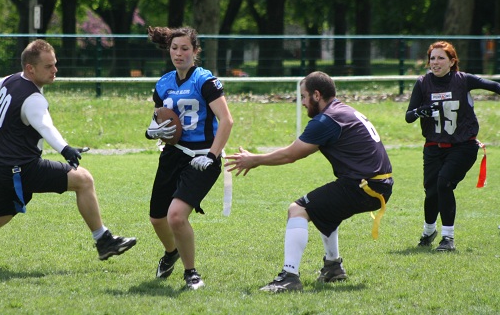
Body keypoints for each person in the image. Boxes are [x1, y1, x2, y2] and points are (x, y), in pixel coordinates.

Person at [0, 39, 136, 267]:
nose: (55, 70)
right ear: (30, 68)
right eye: (49, 66)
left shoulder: (12, 80)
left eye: (55, 64)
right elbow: (45, 126)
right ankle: (103, 241)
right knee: (83, 180)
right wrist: (65, 148)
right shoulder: (34, 99)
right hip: (21, 167)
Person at [225, 71, 393, 293]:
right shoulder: (343, 110)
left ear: (316, 94)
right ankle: (333, 267)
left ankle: (289, 277)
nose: (302, 102)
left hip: (363, 185)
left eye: (304, 96)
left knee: (298, 209)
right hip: (377, 184)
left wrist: (254, 160)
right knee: (326, 211)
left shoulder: (327, 119)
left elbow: (291, 154)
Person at [145, 26, 233, 290]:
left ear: (195, 51)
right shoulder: (163, 84)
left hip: (201, 157)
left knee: (176, 217)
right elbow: (160, 118)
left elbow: (227, 121)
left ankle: (191, 272)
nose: (179, 53)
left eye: (185, 48)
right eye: (174, 48)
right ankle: (171, 252)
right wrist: (151, 130)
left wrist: (211, 155)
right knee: (157, 218)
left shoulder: (204, 81)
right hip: (173, 154)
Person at [406, 40, 500, 252]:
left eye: (441, 58)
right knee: (431, 192)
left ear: (452, 61)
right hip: (433, 146)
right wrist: (421, 111)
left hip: (462, 145)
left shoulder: (463, 80)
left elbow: (494, 86)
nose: (436, 62)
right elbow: (408, 116)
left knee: (444, 183)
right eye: (432, 58)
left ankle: (448, 238)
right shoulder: (422, 83)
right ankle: (429, 230)